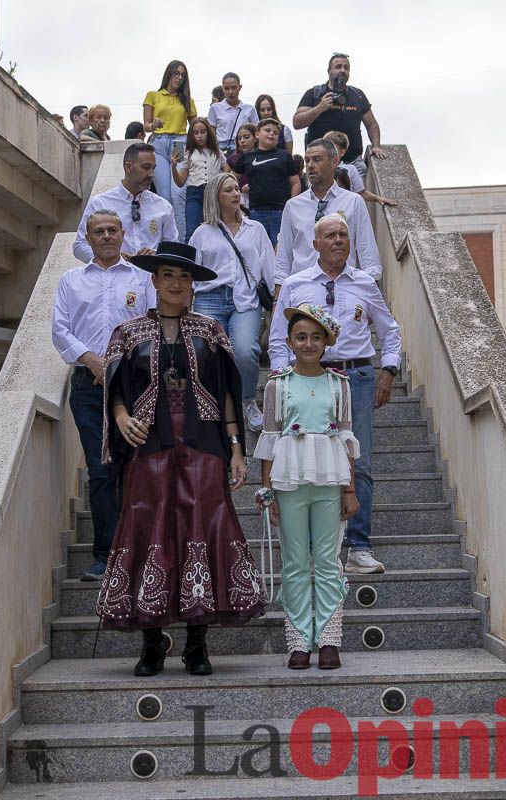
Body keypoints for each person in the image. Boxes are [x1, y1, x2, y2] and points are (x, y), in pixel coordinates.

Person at [97, 241, 266, 677]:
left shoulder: (211, 331)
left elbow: (227, 394)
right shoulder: (128, 332)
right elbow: (115, 389)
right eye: (168, 275)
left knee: (202, 528)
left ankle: (197, 644)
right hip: (148, 446)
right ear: (154, 280)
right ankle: (152, 644)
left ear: (193, 284)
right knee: (148, 528)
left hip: (203, 446)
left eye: (184, 276)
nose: (176, 283)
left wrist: (236, 449)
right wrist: (122, 418)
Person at [270, 214, 401, 574]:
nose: (339, 240)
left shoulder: (365, 283)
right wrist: (282, 380)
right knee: (309, 458)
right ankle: (316, 551)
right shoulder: (295, 284)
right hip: (308, 378)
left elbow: (390, 331)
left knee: (360, 460)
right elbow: (278, 337)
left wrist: (389, 370)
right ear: (315, 245)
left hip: (356, 377)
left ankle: (359, 547)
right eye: (330, 235)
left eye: (344, 234)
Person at [53, 209, 156, 580]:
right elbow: (60, 330)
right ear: (88, 238)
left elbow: (152, 326)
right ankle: (106, 555)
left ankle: (140, 552)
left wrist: (120, 365)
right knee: (100, 470)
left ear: (123, 234)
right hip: (88, 386)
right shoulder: (70, 281)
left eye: (113, 230)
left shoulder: (142, 277)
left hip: (134, 386)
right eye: (99, 231)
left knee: (135, 467)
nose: (107, 236)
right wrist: (92, 360)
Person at [256, 304, 358, 669]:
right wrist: (268, 491)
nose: (308, 343)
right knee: (296, 561)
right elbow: (269, 439)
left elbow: (346, 438)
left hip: (329, 478)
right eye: (301, 337)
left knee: (328, 561)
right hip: (289, 480)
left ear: (326, 343)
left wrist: (349, 489)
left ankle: (329, 639)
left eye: (316, 337)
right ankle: (298, 640)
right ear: (289, 342)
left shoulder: (339, 384)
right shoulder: (277, 385)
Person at [189, 173, 276, 431]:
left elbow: (270, 270)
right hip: (209, 298)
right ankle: (212, 404)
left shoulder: (255, 229)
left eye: (237, 188)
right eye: (228, 190)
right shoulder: (202, 233)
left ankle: (247, 400)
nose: (236, 193)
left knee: (246, 352)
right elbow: (190, 275)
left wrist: (276, 306)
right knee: (204, 353)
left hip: (246, 299)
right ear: (215, 196)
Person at [274, 139, 380, 287]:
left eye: (317, 159)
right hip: (302, 288)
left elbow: (367, 251)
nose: (310, 165)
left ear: (334, 162)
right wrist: (278, 296)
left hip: (343, 286)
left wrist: (369, 290)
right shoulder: (293, 206)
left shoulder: (353, 202)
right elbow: (283, 258)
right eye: (307, 160)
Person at [73, 142, 177, 264]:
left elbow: (174, 248)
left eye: (153, 168)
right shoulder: (100, 203)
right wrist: (111, 258)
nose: (151, 174)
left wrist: (157, 254)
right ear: (128, 167)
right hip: (113, 274)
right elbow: (79, 245)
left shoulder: (163, 207)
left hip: (151, 275)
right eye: (146, 167)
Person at [293, 53, 389, 179]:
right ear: (329, 70)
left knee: (356, 192)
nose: (343, 70)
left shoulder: (358, 95)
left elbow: (371, 124)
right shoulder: (314, 93)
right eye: (338, 67)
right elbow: (297, 122)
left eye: (346, 67)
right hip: (320, 164)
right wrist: (320, 107)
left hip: (352, 162)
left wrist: (376, 146)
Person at [144, 60, 196, 241]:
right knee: (165, 196)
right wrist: (154, 124)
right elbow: (146, 126)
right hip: (158, 142)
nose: (179, 78)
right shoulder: (153, 95)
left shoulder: (187, 100)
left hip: (179, 143)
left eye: (183, 75)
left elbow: (195, 126)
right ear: (169, 74)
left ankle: (181, 242)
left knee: (178, 193)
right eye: (176, 73)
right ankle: (167, 240)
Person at [230, 119, 302, 246]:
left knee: (280, 250)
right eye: (267, 130)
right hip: (255, 212)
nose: (271, 134)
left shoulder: (284, 156)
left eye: (275, 132)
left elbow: (296, 183)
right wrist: (237, 195)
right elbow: (230, 178)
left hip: (280, 212)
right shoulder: (247, 157)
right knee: (257, 250)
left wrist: (290, 205)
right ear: (257, 134)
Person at [172, 118, 226, 239]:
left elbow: (227, 169)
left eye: (203, 132)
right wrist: (174, 167)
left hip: (213, 193)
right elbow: (180, 182)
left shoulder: (217, 152)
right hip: (194, 192)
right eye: (196, 133)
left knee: (215, 230)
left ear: (208, 132)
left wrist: (220, 181)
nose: (200, 136)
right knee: (192, 231)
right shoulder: (188, 153)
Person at [323, 131, 396, 207]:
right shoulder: (319, 168)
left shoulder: (350, 169)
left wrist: (377, 198)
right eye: (326, 148)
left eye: (332, 149)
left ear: (342, 152)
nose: (328, 152)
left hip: (344, 208)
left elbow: (361, 192)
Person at [207, 72, 258, 155]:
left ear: (240, 87)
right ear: (223, 89)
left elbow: (256, 132)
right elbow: (211, 133)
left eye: (234, 88)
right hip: (221, 150)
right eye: (226, 88)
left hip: (243, 149)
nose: (230, 92)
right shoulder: (215, 108)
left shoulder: (250, 109)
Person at [226, 123, 258, 210]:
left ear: (256, 138)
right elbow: (224, 181)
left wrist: (253, 185)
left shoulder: (263, 157)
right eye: (239, 138)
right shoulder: (232, 159)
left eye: (246, 137)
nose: (242, 141)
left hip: (258, 200)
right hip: (238, 200)